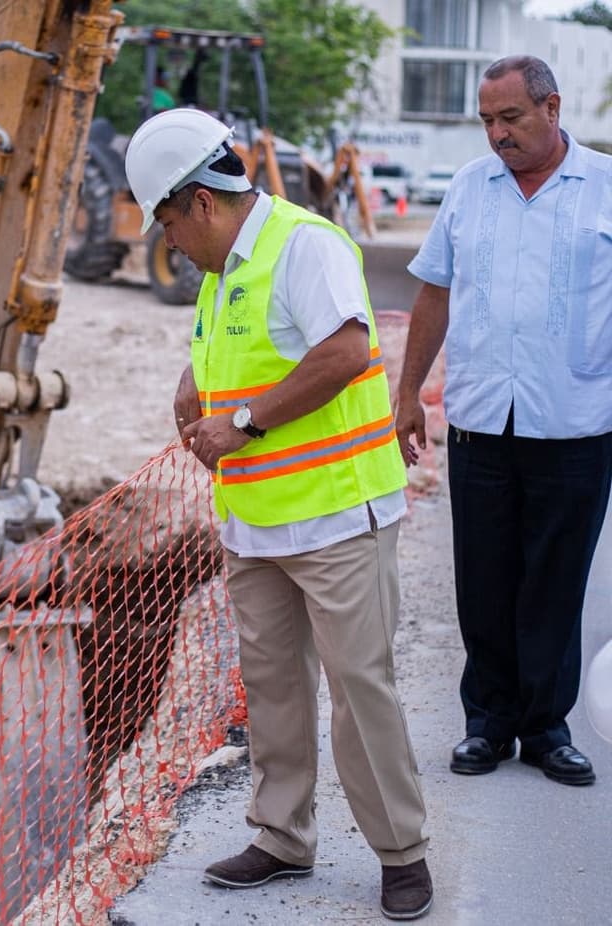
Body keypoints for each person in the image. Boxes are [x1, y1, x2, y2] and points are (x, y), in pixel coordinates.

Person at [123, 108, 432, 921]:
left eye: (165, 221)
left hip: (336, 517)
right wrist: (195, 397)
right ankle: (283, 836)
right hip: (256, 524)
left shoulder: (303, 245)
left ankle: (401, 852)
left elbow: (346, 350)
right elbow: (229, 368)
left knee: (360, 692)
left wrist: (245, 423)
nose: (168, 244)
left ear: (199, 201)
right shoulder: (221, 272)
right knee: (271, 689)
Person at [397, 55, 612, 787]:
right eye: (487, 120)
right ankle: (486, 724)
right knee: (484, 579)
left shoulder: (605, 188)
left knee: (555, 582)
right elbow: (432, 293)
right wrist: (407, 394)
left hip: (577, 422)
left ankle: (547, 729)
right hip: (482, 420)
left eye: (510, 117)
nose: (496, 134)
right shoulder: (468, 188)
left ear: (552, 108)